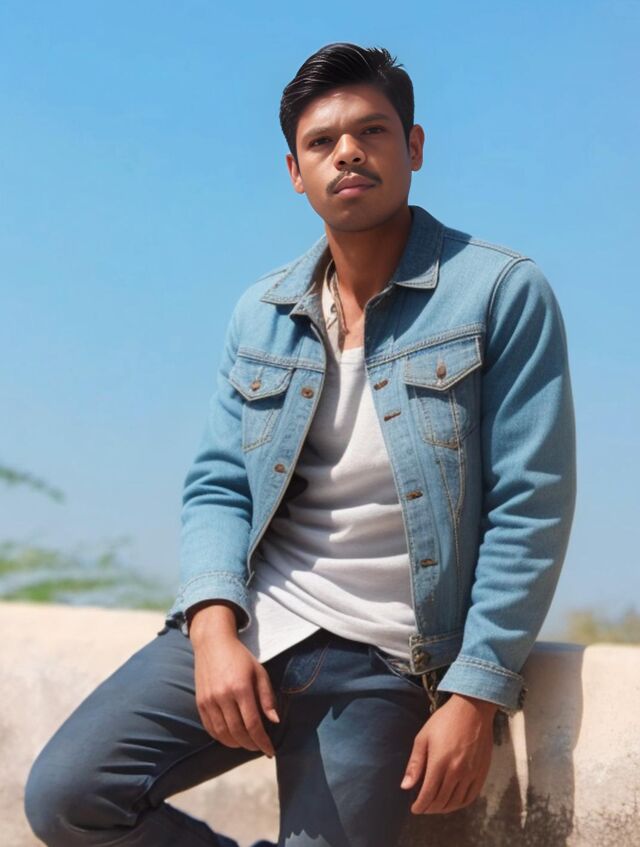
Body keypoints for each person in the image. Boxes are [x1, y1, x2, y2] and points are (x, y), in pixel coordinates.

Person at [24, 42, 576, 847]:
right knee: (68, 796)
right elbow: (219, 484)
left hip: (389, 662)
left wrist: (475, 693)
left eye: (372, 132)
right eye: (321, 142)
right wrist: (212, 630)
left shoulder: (498, 292)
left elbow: (531, 505)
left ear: (414, 147)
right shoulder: (263, 311)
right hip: (258, 625)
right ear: (295, 171)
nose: (347, 152)